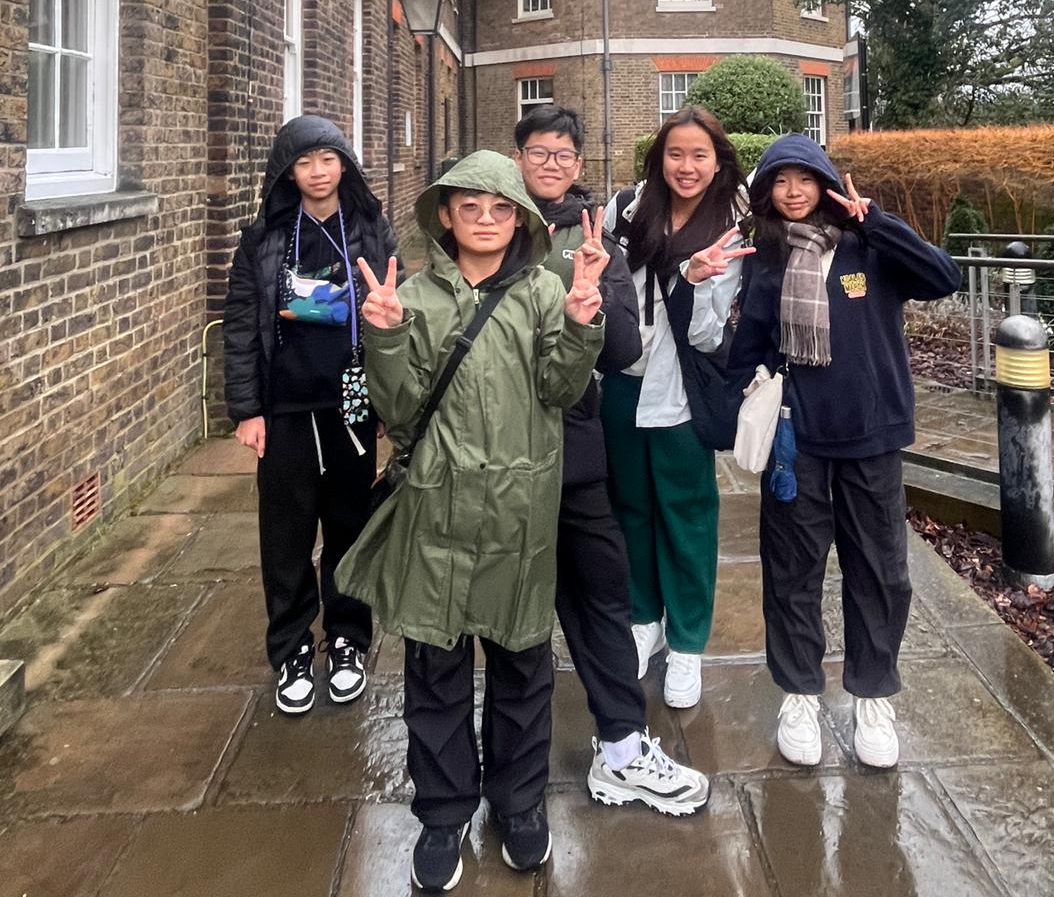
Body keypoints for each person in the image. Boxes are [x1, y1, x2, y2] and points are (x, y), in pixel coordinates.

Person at [335, 152, 606, 893]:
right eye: (469, 207)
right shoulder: (415, 298)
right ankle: (443, 810)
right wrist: (385, 336)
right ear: (446, 217)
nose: (485, 220)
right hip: (438, 513)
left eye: (500, 208)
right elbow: (399, 412)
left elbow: (560, 389)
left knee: (522, 667)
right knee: (435, 673)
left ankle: (519, 803)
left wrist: (581, 320)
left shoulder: (545, 292)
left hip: (521, 515)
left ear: (520, 219)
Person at [727, 134, 961, 770]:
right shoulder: (765, 256)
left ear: (826, 184)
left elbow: (943, 277)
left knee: (880, 570)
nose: (793, 191)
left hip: (872, 433)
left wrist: (877, 221)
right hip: (797, 439)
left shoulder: (868, 246)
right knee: (793, 569)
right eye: (781, 181)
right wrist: (750, 388)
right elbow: (748, 346)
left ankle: (873, 696)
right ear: (767, 192)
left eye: (805, 179)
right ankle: (800, 692)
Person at [513, 105, 710, 815]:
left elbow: (624, 347)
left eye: (565, 155)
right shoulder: (487, 222)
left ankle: (623, 748)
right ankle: (512, 777)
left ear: (578, 163)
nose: (552, 165)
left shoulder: (596, 235)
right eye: (540, 152)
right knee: (510, 612)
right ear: (518, 157)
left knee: (600, 595)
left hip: (572, 443)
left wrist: (590, 299)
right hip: (492, 452)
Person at [223, 115, 398, 715]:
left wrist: (386, 400)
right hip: (286, 406)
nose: (318, 172)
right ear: (287, 171)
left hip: (351, 401)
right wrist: (247, 409)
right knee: (286, 533)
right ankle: (292, 646)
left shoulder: (370, 229)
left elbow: (395, 316)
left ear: (344, 164)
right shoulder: (265, 237)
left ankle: (348, 640)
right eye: (305, 162)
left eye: (328, 159)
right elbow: (240, 326)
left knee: (351, 526)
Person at [601, 106, 752, 710]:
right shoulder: (626, 209)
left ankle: (687, 640)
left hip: (683, 387)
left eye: (699, 155)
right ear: (658, 158)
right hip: (621, 380)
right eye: (675, 154)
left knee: (687, 514)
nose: (686, 167)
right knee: (630, 507)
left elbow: (711, 335)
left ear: (718, 162)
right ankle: (644, 619)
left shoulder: (732, 224)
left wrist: (694, 280)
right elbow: (608, 290)